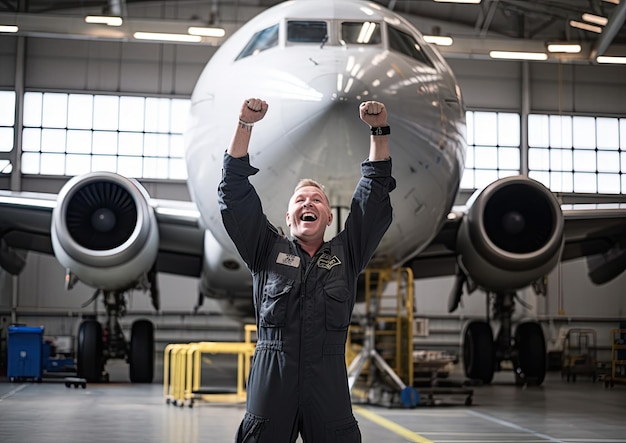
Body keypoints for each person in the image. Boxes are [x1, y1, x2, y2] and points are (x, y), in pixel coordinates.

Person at [218, 98, 396, 443]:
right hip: (272, 376)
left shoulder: (349, 253)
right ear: (288, 219)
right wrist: (244, 125)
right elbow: (234, 192)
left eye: (317, 200)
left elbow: (374, 196)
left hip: (326, 379)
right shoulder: (265, 250)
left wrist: (379, 132)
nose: (308, 203)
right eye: (299, 200)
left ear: (330, 217)